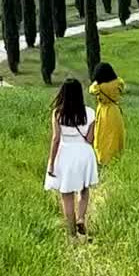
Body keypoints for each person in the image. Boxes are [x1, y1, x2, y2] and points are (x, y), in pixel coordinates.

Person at [45, 77, 98, 237]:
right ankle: (81, 218)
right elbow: (90, 139)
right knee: (83, 189)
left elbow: (56, 139)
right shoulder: (89, 112)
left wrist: (51, 162)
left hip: (65, 153)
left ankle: (72, 233)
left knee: (66, 194)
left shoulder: (58, 113)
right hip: (84, 153)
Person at [89, 61, 126, 165]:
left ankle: (103, 159)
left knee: (103, 137)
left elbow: (91, 89)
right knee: (115, 137)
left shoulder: (99, 87)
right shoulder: (118, 83)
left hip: (104, 113)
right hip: (115, 112)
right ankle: (116, 159)